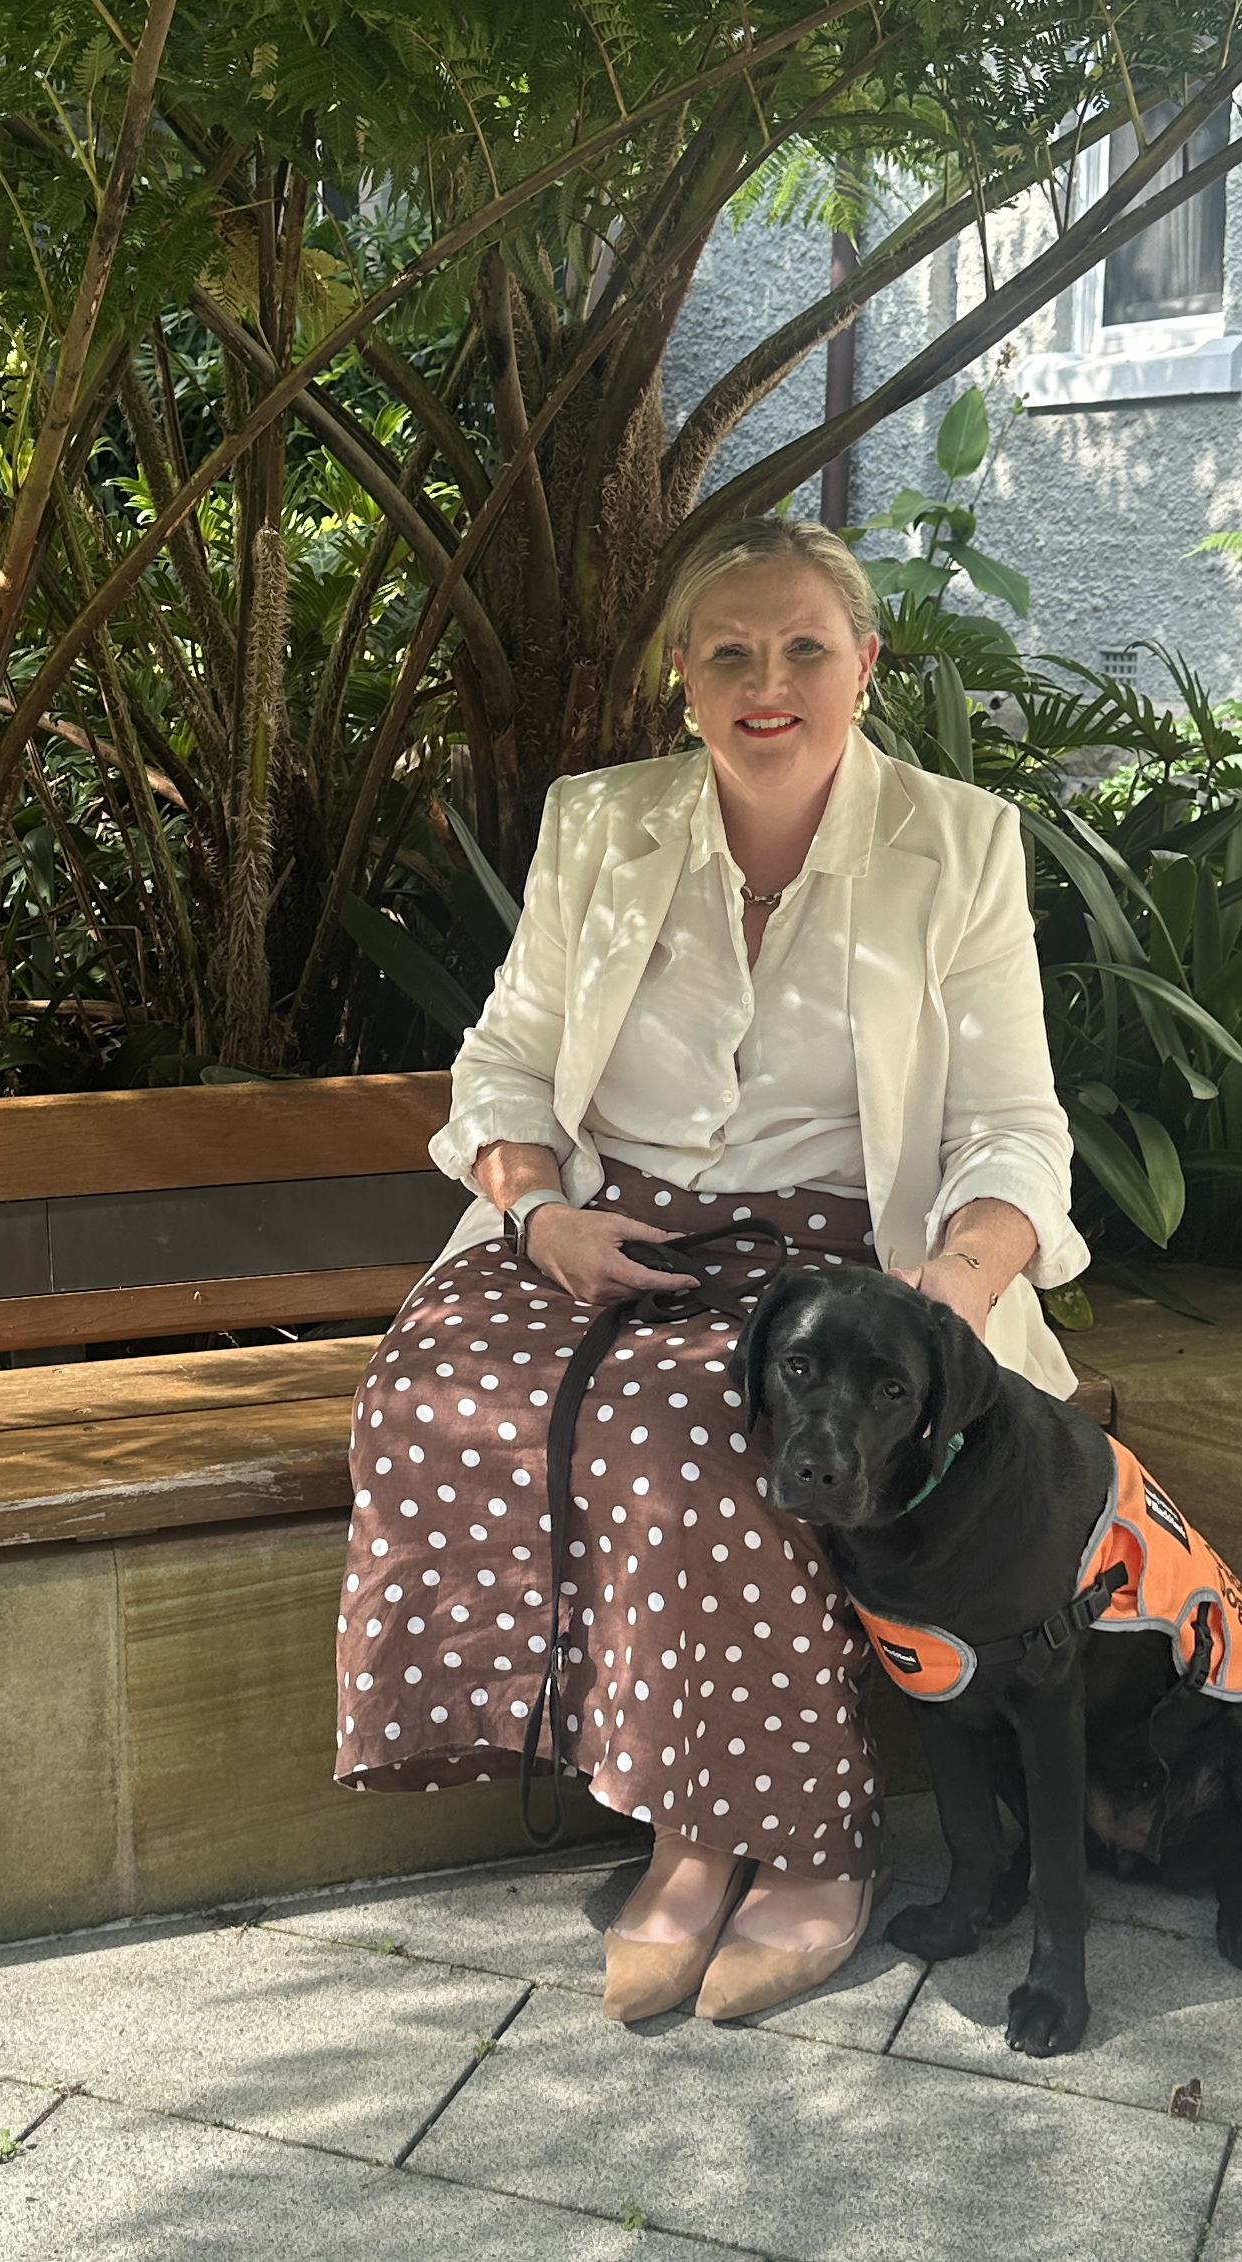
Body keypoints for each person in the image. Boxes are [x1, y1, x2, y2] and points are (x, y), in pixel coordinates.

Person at [335, 514, 1088, 2023]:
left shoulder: (956, 842)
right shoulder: (600, 825)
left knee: (711, 1434)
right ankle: (667, 1808)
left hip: (829, 1261)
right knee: (425, 1389)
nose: (768, 682)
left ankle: (784, 1845)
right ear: (678, 672)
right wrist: (538, 1215)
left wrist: (955, 1284)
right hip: (599, 1226)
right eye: (729, 651)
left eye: (805, 646)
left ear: (863, 664)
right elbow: (504, 1062)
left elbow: (1014, 1124)